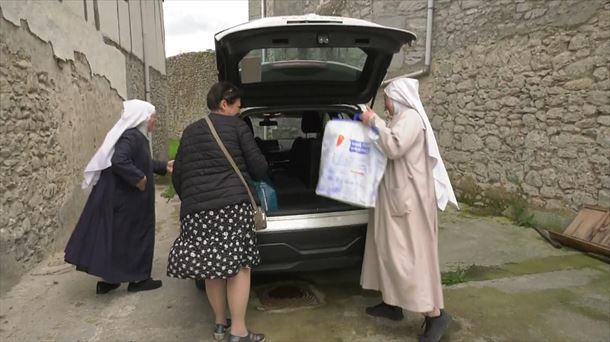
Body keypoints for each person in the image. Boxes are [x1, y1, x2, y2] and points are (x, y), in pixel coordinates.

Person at [167, 81, 268, 342]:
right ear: (224, 104)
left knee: (212, 268)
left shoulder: (190, 132)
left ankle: (220, 324)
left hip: (197, 212)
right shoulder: (237, 127)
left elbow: (178, 176)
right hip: (232, 208)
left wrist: (195, 199)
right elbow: (259, 169)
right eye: (237, 105)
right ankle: (239, 332)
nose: (240, 109)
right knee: (239, 267)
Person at [359, 78, 458, 342]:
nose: (385, 105)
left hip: (409, 205)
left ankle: (435, 314)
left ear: (398, 98)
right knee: (388, 254)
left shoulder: (411, 118)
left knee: (410, 259)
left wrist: (373, 121)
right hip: (394, 200)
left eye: (387, 99)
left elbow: (394, 146)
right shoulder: (400, 119)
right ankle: (392, 303)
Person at [64, 99, 173, 294]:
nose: (154, 122)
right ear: (143, 118)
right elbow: (119, 160)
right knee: (137, 237)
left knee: (119, 239)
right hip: (130, 200)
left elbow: (141, 161)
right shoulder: (131, 137)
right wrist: (139, 178)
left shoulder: (132, 137)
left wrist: (164, 166)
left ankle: (110, 280)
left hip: (124, 200)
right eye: (153, 118)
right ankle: (139, 279)